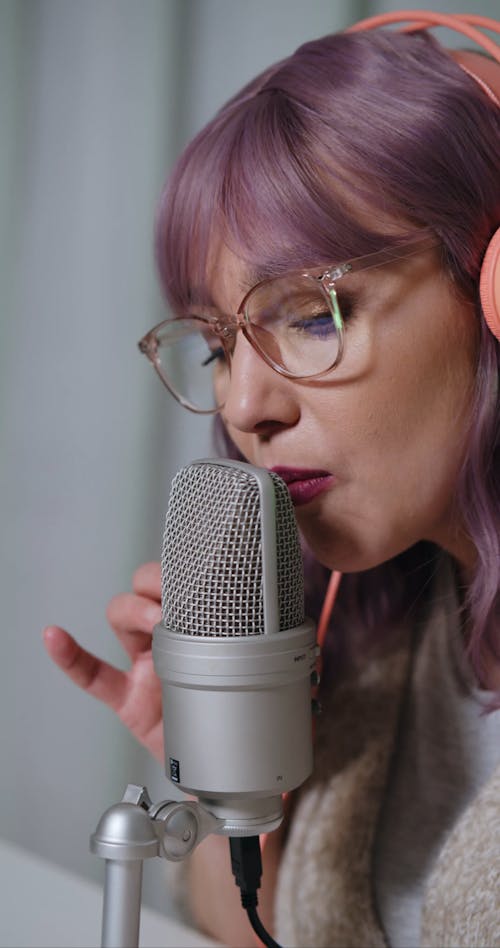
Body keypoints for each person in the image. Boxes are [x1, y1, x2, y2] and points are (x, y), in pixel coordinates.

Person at [43, 11, 500, 948]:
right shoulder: (384, 626)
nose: (244, 406)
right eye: (217, 344)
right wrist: (234, 776)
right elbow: (265, 929)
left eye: (314, 316)